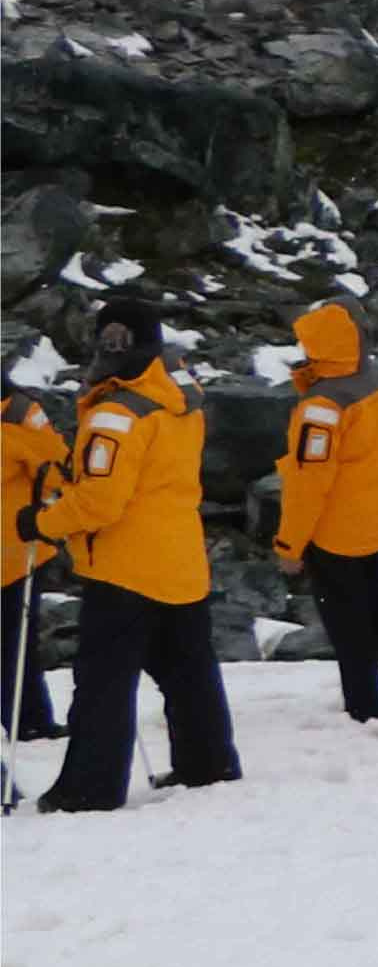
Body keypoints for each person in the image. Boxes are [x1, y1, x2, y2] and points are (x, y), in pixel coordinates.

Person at [34, 296, 238, 808]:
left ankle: (89, 790)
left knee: (103, 682)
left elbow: (100, 502)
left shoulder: (116, 415)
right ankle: (208, 764)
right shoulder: (181, 397)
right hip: (181, 558)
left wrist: (41, 523)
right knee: (188, 672)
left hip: (125, 567)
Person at [272, 299, 378, 721]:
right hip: (374, 519)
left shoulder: (321, 407)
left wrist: (290, 544)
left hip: (332, 531)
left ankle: (365, 708)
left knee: (348, 625)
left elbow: (309, 484)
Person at [1, 382, 64, 741]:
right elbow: (57, 470)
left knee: (14, 640)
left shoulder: (19, 412)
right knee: (15, 640)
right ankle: (29, 720)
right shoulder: (19, 411)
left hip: (16, 551)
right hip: (15, 548)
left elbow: (56, 469)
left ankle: (29, 720)